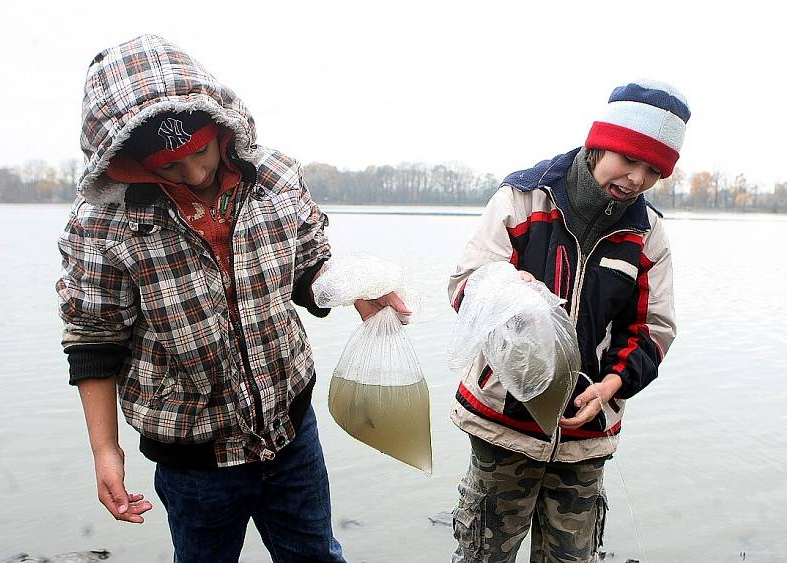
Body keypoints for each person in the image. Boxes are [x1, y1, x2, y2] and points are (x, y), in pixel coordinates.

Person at [56, 35, 408, 563]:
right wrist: (106, 452)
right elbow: (94, 341)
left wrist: (352, 287)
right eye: (170, 166)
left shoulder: (275, 180)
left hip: (290, 433)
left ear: (220, 127)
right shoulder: (105, 225)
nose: (196, 173)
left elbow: (308, 267)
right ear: (130, 161)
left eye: (201, 151)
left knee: (316, 554)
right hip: (192, 459)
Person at [448, 80, 689, 562]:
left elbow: (652, 329)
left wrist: (612, 385)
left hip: (586, 437)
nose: (638, 179)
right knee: (481, 555)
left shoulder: (648, 234)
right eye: (630, 160)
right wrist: (514, 295)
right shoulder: (523, 197)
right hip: (503, 425)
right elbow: (465, 285)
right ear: (601, 144)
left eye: (653, 171)